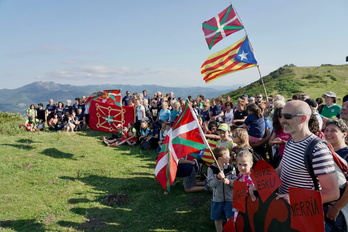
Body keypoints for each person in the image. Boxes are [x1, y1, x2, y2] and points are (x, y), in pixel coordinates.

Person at [275, 100, 339, 229]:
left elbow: (332, 193)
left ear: (302, 118)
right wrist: (259, 184)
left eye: (287, 116)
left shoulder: (317, 148)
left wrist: (295, 199)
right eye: (281, 116)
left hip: (304, 220)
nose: (281, 120)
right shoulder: (291, 142)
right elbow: (281, 170)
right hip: (285, 216)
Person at [323, 119, 348, 231]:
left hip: (340, 209)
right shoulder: (323, 152)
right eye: (326, 130)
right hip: (322, 205)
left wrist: (336, 208)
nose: (328, 133)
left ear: (344, 134)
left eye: (333, 131)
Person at [207, 147, 237, 232]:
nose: (230, 157)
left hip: (229, 199)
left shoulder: (231, 168)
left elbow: (235, 182)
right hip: (217, 200)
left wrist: (229, 182)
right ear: (220, 158)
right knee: (217, 219)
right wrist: (218, 177)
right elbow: (211, 185)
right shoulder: (211, 169)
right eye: (227, 156)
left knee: (230, 219)